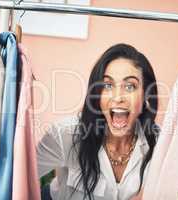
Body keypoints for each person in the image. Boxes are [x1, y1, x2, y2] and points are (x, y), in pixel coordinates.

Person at [37, 43, 159, 200]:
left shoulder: (161, 145)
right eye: (108, 85)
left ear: (145, 96)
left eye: (130, 86)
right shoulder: (64, 134)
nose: (117, 97)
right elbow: (13, 180)